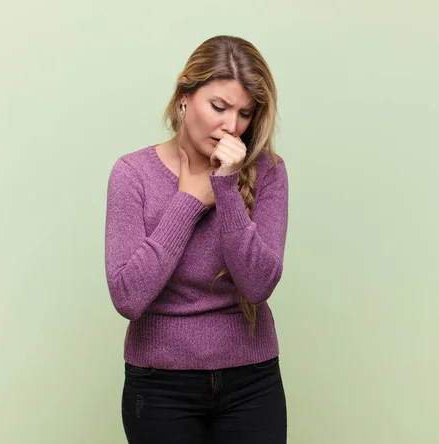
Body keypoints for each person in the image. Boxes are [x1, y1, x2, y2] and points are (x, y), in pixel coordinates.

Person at [104, 35, 289, 443]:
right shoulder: (132, 174)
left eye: (244, 113)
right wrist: (187, 200)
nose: (231, 125)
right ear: (185, 94)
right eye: (218, 107)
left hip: (252, 382)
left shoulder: (269, 172)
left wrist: (225, 188)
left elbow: (258, 286)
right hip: (159, 387)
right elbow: (127, 297)